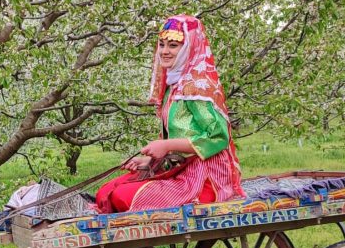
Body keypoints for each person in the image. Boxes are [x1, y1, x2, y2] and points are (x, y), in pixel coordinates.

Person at [95, 15, 245, 213]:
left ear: (189, 48)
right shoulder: (173, 87)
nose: (164, 51)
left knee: (121, 196)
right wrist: (149, 161)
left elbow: (218, 138)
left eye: (173, 46)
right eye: (161, 45)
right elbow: (178, 137)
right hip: (180, 168)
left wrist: (166, 146)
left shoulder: (197, 87)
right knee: (106, 190)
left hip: (205, 177)